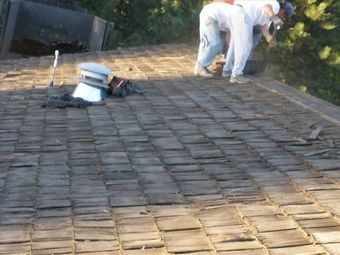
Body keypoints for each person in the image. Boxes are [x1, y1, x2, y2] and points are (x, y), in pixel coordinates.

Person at [222, 0, 294, 77]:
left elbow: (264, 27)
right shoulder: (276, 5)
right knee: (246, 44)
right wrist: (274, 17)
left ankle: (227, 70)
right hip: (243, 12)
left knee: (235, 43)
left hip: (237, 10)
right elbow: (266, 7)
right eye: (284, 16)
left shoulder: (271, 15)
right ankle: (236, 74)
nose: (282, 18)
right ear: (283, 10)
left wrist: (268, 37)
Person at [194, 2, 252, 83]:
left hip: (209, 13)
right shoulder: (239, 15)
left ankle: (201, 66)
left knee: (207, 42)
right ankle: (200, 67)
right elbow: (232, 37)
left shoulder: (235, 11)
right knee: (212, 43)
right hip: (209, 15)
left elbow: (230, 36)